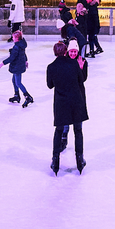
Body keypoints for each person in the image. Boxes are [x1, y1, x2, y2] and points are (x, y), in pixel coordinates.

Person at [47, 40, 89, 174]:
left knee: (59, 131)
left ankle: (55, 160)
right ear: (65, 52)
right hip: (76, 101)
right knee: (78, 131)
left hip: (61, 103)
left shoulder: (51, 67)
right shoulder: (74, 63)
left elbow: (50, 85)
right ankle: (79, 159)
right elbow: (80, 80)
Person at [0, 28, 34, 108]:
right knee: (14, 81)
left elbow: (11, 58)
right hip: (19, 64)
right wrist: (26, 61)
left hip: (17, 66)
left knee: (18, 82)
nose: (12, 38)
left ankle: (28, 96)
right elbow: (23, 54)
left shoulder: (16, 47)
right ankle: (17, 95)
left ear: (17, 38)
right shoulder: (21, 44)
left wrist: (2, 63)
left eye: (13, 37)